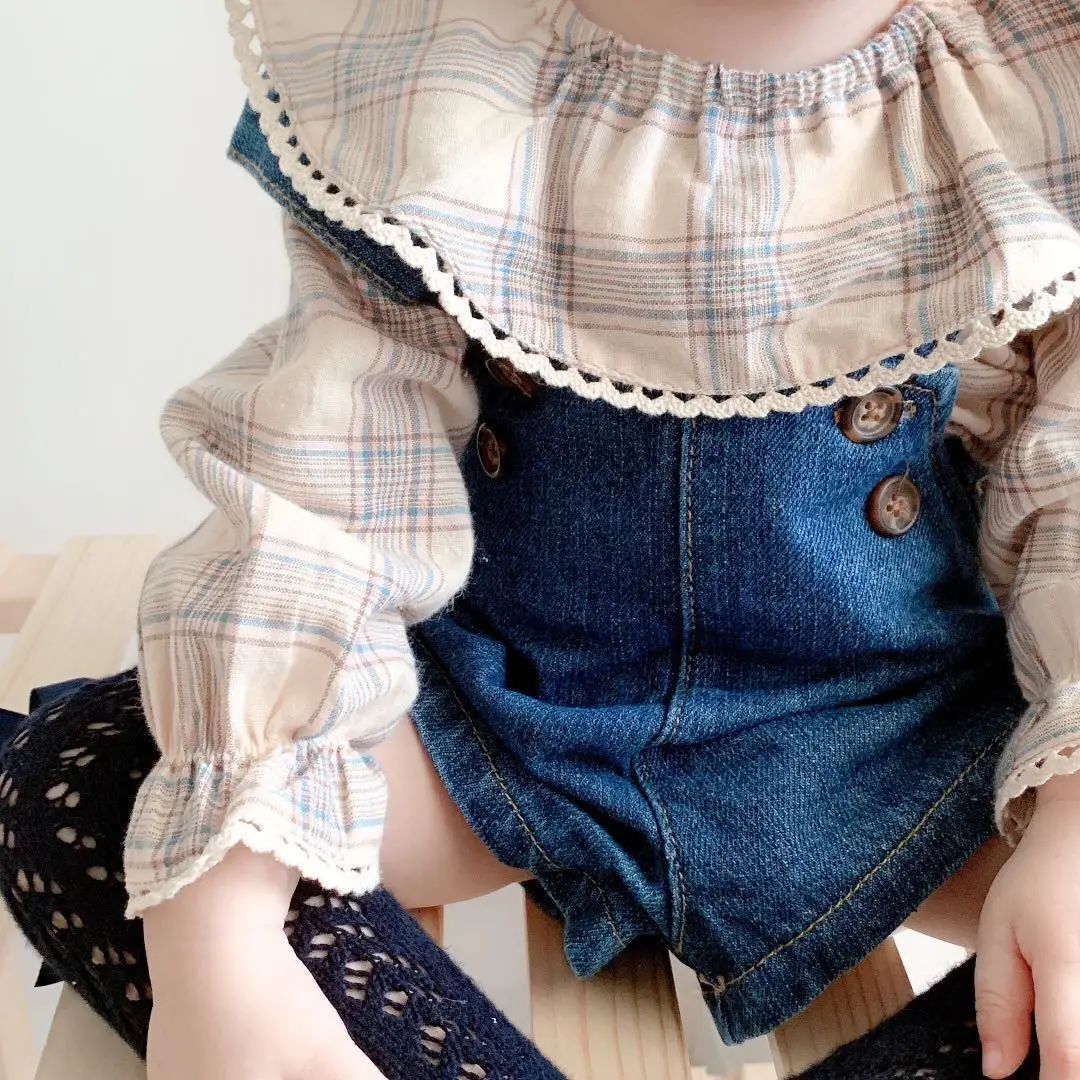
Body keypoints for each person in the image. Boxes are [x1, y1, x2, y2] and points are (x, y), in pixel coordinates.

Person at [3, 0, 1080, 1077]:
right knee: (100, 785)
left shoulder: (1036, 70)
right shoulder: (439, 57)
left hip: (896, 745)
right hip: (503, 719)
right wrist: (222, 928)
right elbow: (323, 490)